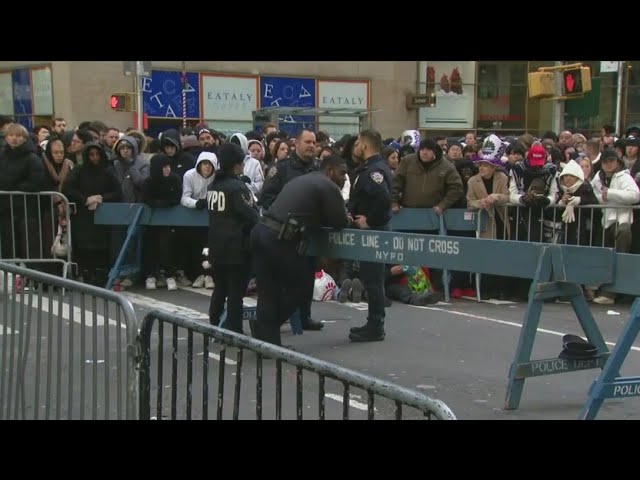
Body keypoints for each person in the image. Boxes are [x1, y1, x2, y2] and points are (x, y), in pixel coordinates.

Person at [250, 154, 350, 346]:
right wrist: (350, 219)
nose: (345, 177)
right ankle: (267, 333)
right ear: (329, 171)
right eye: (342, 172)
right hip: (280, 239)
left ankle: (267, 337)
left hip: (263, 232)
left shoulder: (304, 180)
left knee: (268, 291)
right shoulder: (327, 186)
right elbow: (339, 221)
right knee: (300, 288)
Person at [206, 143, 259, 334]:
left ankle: (215, 325)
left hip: (216, 245)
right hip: (237, 247)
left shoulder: (213, 186)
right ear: (237, 165)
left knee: (220, 289)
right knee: (236, 293)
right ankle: (235, 331)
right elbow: (252, 214)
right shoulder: (237, 188)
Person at [347, 129, 393, 342]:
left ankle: (376, 325)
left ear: (364, 145)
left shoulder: (374, 170)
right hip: (371, 232)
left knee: (373, 279)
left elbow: (383, 200)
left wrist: (370, 220)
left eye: (357, 143)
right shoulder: (369, 168)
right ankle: (373, 322)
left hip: (374, 232)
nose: (355, 147)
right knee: (370, 277)